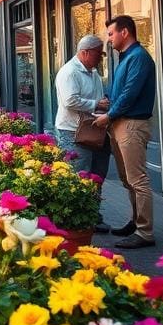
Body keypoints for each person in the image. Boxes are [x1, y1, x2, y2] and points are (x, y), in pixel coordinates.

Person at [94, 15, 157, 250]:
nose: (109, 39)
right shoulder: (126, 57)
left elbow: (130, 94)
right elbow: (119, 91)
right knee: (126, 179)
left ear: (125, 32)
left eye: (111, 34)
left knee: (137, 180)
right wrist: (106, 102)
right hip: (120, 123)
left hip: (132, 124)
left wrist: (109, 115)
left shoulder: (139, 57)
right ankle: (136, 221)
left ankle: (145, 232)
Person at [54, 35, 112, 234]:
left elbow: (96, 97)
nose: (101, 58)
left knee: (96, 174)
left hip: (94, 129)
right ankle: (75, 219)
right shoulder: (69, 72)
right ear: (85, 52)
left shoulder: (93, 72)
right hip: (73, 132)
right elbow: (70, 101)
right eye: (98, 54)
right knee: (78, 174)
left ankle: (92, 215)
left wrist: (102, 103)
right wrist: (96, 104)